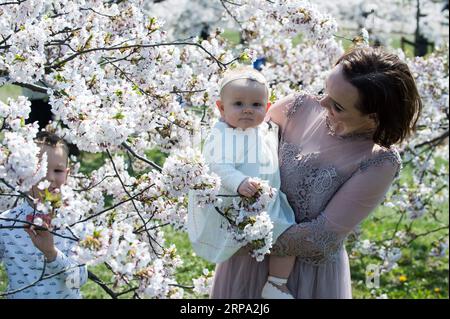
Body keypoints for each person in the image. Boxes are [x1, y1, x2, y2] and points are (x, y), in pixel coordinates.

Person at [211, 46, 422, 298]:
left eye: (338, 106)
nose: (321, 102)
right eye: (325, 90)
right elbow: (237, 147)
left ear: (373, 117)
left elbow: (320, 237)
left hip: (305, 279)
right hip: (242, 262)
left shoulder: (378, 162)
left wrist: (246, 232)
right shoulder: (295, 107)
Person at [187, 66, 298, 298]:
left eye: (256, 105)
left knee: (289, 237)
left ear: (267, 108)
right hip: (236, 200)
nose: (248, 110)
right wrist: (239, 182)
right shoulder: (222, 135)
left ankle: (276, 282)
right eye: (238, 104)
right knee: (254, 241)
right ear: (221, 107)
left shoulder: (264, 129)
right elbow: (216, 166)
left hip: (266, 201)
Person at [0, 131, 88, 299]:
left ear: (67, 175)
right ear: (24, 172)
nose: (50, 177)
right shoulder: (6, 223)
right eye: (42, 169)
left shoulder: (76, 221)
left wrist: (51, 253)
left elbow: (79, 280)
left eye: (58, 170)